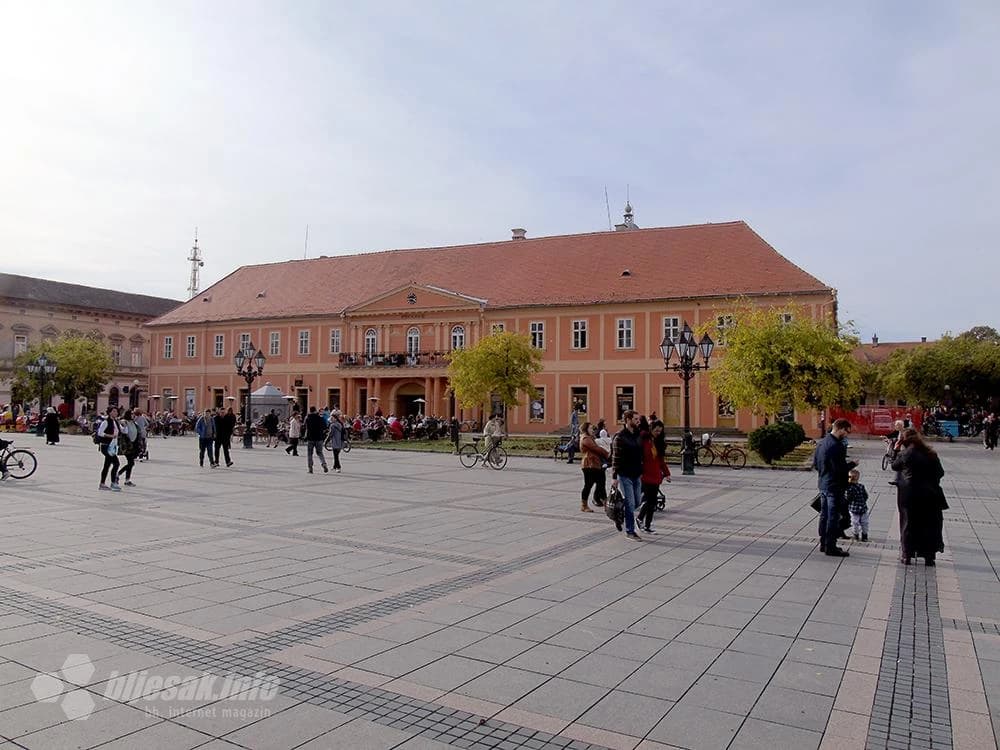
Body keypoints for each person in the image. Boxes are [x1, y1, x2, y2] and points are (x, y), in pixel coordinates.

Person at [891, 429, 946, 566]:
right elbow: (940, 472)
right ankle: (929, 556)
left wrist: (896, 450)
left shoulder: (905, 454)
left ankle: (907, 555)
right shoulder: (931, 454)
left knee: (908, 523)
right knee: (929, 524)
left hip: (909, 494)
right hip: (930, 495)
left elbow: (894, 466)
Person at [812, 417, 855, 557]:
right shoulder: (837, 446)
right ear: (841, 429)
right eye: (846, 431)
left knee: (824, 515)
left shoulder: (822, 442)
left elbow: (816, 464)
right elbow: (840, 469)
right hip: (834, 486)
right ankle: (831, 546)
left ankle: (824, 543)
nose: (847, 435)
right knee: (833, 516)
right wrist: (852, 465)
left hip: (823, 483)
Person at [611, 410, 644, 540]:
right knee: (630, 504)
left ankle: (619, 513)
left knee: (637, 502)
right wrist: (614, 477)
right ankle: (630, 531)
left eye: (638, 419)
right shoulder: (620, 436)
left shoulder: (637, 434)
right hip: (625, 474)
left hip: (637, 473)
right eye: (636, 419)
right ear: (628, 420)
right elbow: (615, 458)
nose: (638, 421)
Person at [637, 418, 670, 533]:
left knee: (652, 501)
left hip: (656, 475)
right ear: (651, 429)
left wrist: (666, 474)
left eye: (660, 431)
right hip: (646, 475)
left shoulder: (658, 443)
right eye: (656, 430)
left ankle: (647, 525)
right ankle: (640, 519)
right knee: (650, 500)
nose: (658, 433)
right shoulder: (644, 440)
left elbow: (661, 460)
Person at [579, 421, 609, 512]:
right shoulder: (585, 438)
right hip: (589, 465)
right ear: (586, 429)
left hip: (595, 464)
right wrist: (607, 454)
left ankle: (605, 504)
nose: (593, 430)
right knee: (588, 485)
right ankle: (584, 505)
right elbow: (596, 449)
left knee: (601, 483)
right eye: (591, 428)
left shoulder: (590, 437)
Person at [97, 406, 122, 492]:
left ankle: (102, 483)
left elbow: (122, 431)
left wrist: (125, 426)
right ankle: (113, 483)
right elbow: (100, 433)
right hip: (106, 446)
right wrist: (110, 436)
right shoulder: (106, 422)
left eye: (116, 411)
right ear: (110, 412)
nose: (116, 413)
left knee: (107, 465)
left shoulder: (116, 422)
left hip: (112, 446)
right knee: (116, 463)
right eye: (114, 411)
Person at [846, 468, 870, 542]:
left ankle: (863, 535)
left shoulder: (860, 486)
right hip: (856, 508)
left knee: (861, 522)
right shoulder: (849, 488)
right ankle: (858, 534)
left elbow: (865, 495)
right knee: (857, 522)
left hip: (859, 508)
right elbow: (865, 496)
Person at [304, 406, 329, 474]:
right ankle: (323, 464)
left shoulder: (307, 418)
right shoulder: (320, 418)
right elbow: (325, 427)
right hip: (319, 438)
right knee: (320, 452)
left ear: (310, 411)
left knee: (310, 454)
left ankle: (310, 468)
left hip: (310, 438)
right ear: (315, 411)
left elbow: (304, 427)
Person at [118, 409, 140, 486]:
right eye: (132, 414)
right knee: (131, 463)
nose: (133, 415)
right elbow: (123, 430)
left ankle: (127, 480)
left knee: (130, 463)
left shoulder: (133, 422)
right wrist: (123, 424)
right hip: (127, 445)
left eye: (133, 414)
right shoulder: (124, 421)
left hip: (134, 444)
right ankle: (118, 474)